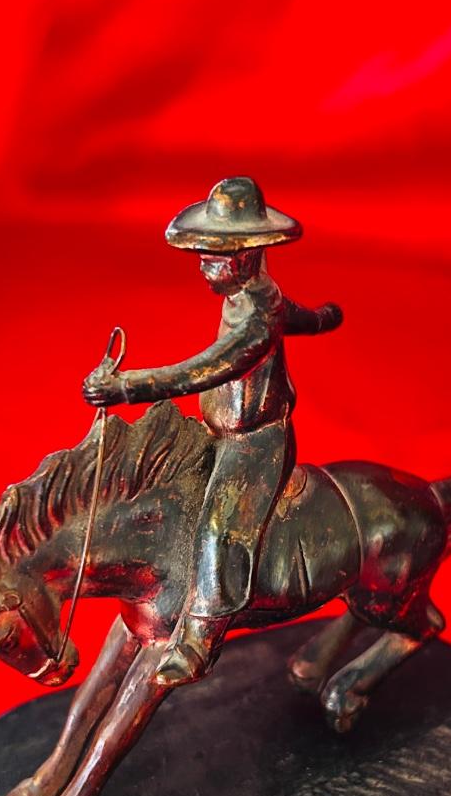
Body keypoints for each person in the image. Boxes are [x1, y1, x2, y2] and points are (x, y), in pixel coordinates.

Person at [83, 176, 343, 685]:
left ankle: (201, 634)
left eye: (215, 260)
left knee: (223, 528)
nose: (205, 270)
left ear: (248, 256)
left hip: (253, 445)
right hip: (219, 431)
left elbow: (208, 368)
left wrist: (127, 387)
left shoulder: (258, 316)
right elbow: (298, 317)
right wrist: (322, 319)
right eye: (203, 259)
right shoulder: (253, 298)